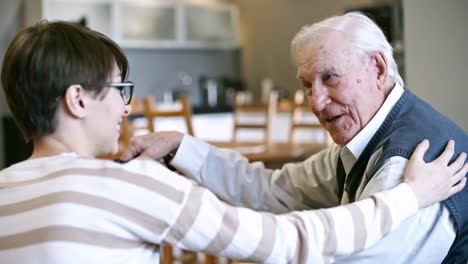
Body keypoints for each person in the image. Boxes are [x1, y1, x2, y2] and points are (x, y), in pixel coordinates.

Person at [0, 21, 464, 264]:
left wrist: (181, 146)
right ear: (78, 100)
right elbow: (286, 226)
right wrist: (409, 197)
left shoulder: (6, 189)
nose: (315, 102)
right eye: (121, 91)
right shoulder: (131, 186)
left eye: (330, 79)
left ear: (379, 69)